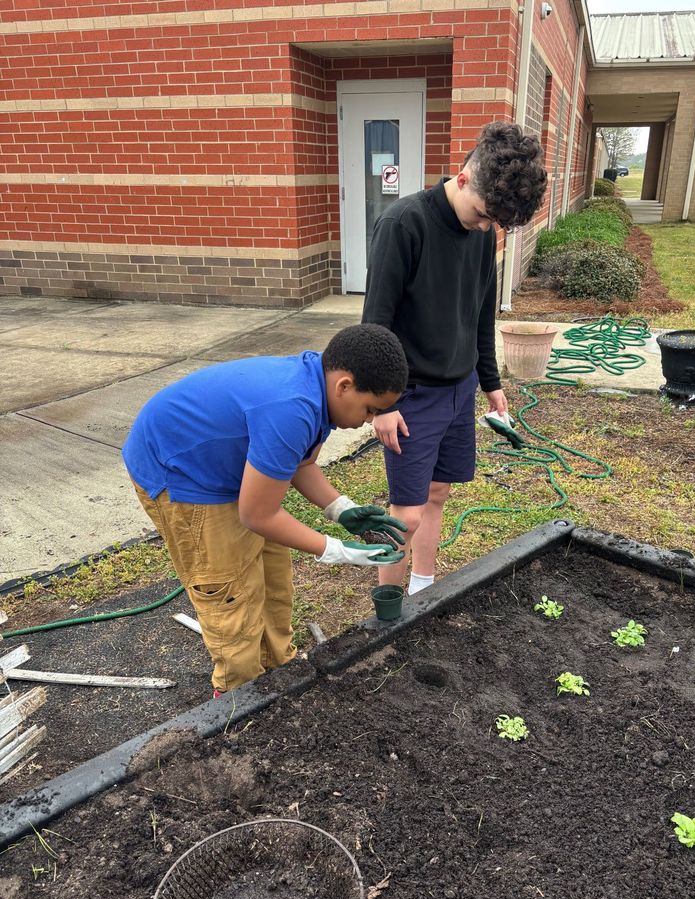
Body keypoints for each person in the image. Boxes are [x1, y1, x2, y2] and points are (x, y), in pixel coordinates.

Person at [122, 323, 409, 696]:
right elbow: (256, 515)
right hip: (181, 473)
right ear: (344, 385)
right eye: (371, 409)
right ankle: (238, 698)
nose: (371, 419)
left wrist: (341, 510)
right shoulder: (292, 407)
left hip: (230, 470)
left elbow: (300, 465)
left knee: (274, 580)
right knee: (232, 595)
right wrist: (337, 551)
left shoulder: (319, 391)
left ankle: (281, 671)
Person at [362, 121, 547, 595]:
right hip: (412, 395)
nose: (485, 227)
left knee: (438, 493)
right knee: (405, 511)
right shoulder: (404, 224)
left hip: (459, 390)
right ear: (463, 177)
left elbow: (479, 315)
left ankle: (424, 591)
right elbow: (374, 325)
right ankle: (389, 610)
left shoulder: (484, 235)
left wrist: (490, 382)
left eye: (495, 223)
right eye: (483, 214)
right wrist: (383, 405)